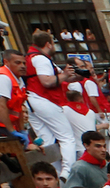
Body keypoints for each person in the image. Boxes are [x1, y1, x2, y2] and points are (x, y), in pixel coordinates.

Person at [25, 31, 80, 180]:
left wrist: (69, 75)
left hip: (31, 101)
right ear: (48, 44)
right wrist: (64, 75)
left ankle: (54, 173)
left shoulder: (32, 57)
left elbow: (62, 78)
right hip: (43, 100)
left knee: (48, 140)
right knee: (67, 138)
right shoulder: (41, 59)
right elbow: (47, 81)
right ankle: (68, 172)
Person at [0, 49, 30, 144]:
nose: (22, 66)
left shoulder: (18, 79)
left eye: (24, 63)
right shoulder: (3, 78)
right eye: (18, 63)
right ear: (6, 62)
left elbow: (18, 108)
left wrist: (22, 130)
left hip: (6, 125)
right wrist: (11, 131)